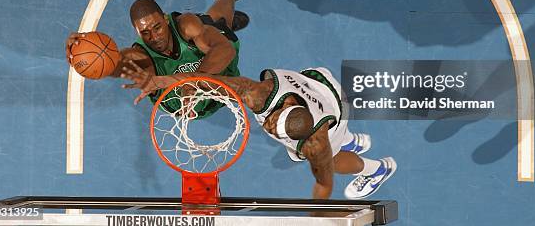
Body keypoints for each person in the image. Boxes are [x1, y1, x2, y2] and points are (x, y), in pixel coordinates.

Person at [120, 62, 397, 200]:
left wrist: (317, 216)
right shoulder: (258, 94)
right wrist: (161, 80)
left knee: (333, 163)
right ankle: (353, 140)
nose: (266, 125)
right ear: (283, 106)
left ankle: (376, 168)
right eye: (272, 121)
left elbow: (323, 185)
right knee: (336, 142)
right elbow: (208, 80)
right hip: (322, 87)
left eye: (274, 130)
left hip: (332, 110)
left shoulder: (316, 143)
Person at [66, 0, 273, 118]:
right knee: (213, 30)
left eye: (157, 27)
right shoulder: (140, 56)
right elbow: (112, 66)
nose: (154, 37)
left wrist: (194, 82)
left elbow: (225, 50)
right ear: (136, 32)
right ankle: (217, 24)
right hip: (185, 104)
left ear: (165, 18)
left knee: (221, 27)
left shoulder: (187, 27)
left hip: (216, 74)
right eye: (145, 32)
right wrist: (78, 60)